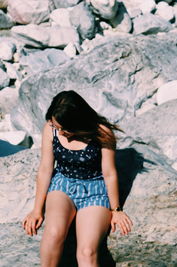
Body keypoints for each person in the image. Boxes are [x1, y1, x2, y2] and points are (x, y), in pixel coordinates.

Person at [22, 90, 133, 267]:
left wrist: (116, 209)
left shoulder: (102, 133)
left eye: (64, 128)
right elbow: (45, 169)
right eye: (57, 126)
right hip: (62, 185)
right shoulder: (51, 129)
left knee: (87, 252)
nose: (60, 131)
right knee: (53, 233)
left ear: (78, 122)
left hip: (95, 190)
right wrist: (37, 210)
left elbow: (109, 173)